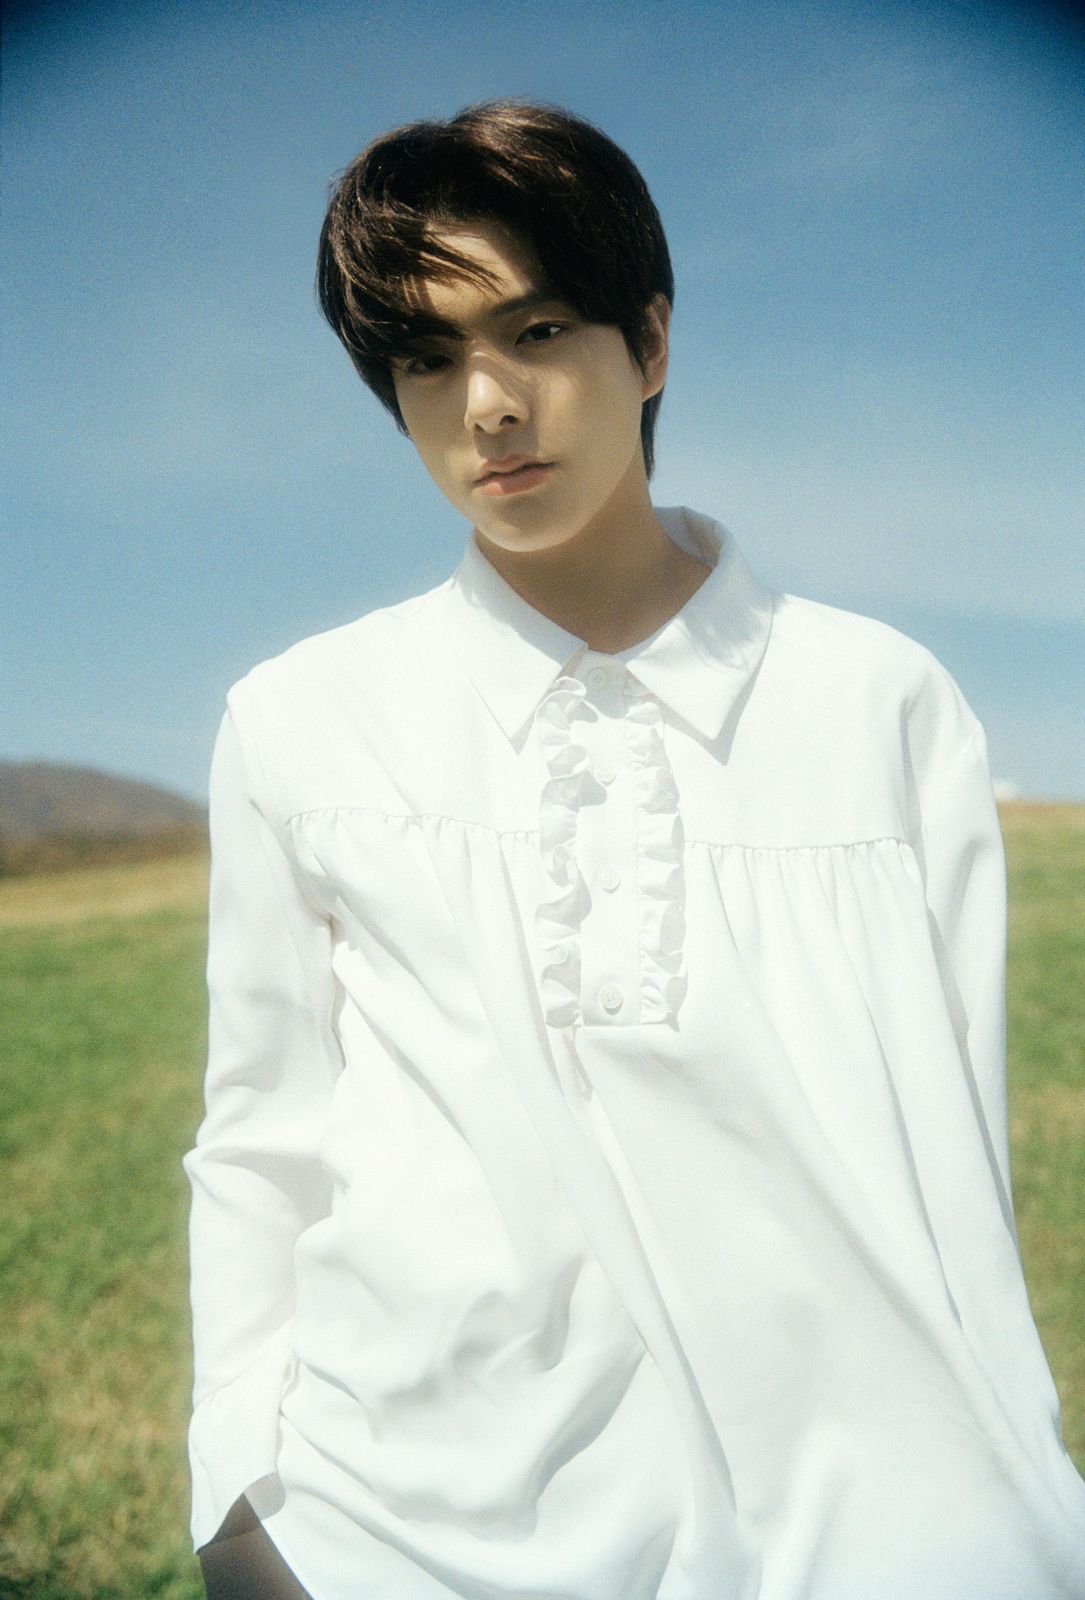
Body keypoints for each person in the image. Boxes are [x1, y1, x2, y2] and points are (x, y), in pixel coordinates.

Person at [184, 100, 1085, 1600]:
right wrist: (237, 1497)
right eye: (425, 358)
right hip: (397, 1527)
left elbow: (956, 1163)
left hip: (857, 1528)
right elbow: (261, 1141)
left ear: (648, 346)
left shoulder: (881, 704)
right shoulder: (298, 722)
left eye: (535, 332)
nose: (485, 403)